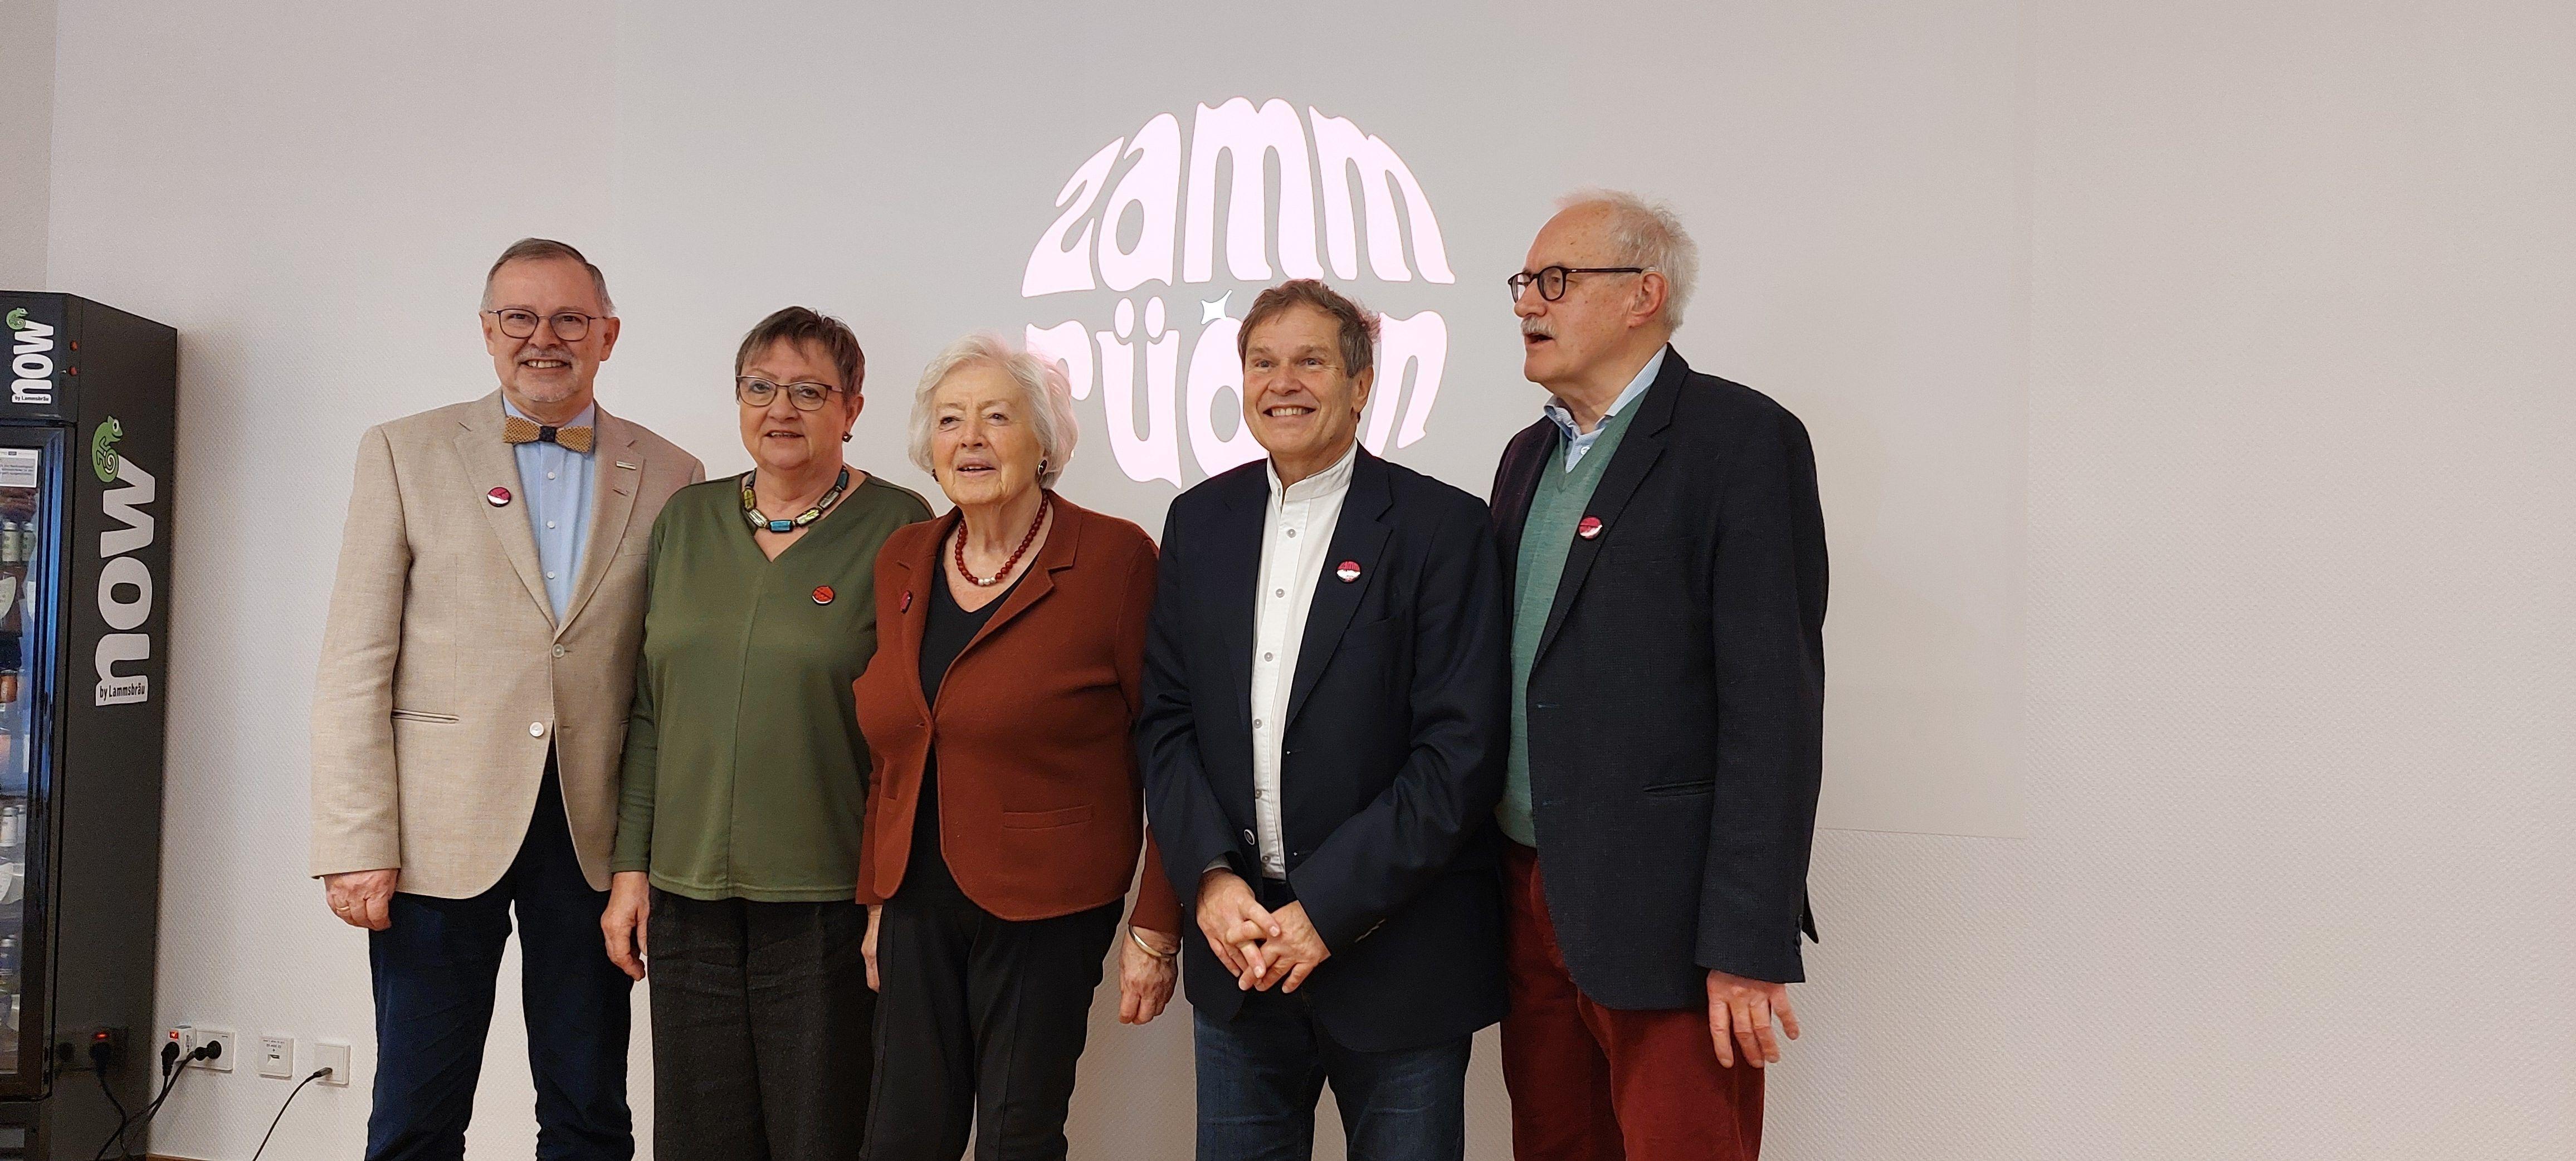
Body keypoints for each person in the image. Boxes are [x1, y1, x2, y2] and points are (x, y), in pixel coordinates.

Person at [310, 237, 702, 1160]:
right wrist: (355, 840)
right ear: (487, 331)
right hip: (435, 836)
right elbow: (354, 661)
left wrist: (649, 853)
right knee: (416, 1108)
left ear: (608, 335)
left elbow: (662, 678)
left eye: (570, 319)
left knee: (589, 1105)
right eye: (520, 317)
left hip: (594, 835)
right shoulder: (404, 452)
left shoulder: (676, 475)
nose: (544, 338)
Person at [1488, 191, 1828, 1161]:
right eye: (1524, 283)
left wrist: (1746, 941)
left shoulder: (1741, 443)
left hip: (1672, 924)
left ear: (1645, 295)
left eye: (1555, 281)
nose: (1527, 305)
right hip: (1528, 895)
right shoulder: (1527, 458)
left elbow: (1775, 711)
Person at [1138, 280, 1512, 1160]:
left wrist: (1325, 908)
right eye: (1263, 362)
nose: (1284, 382)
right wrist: (1210, 883)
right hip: (1240, 959)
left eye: (1311, 360)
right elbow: (1166, 721)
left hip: (1397, 959)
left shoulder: (1441, 527)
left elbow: (1460, 751)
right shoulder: (1200, 522)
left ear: (1362, 382)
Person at [601, 306, 931, 1158]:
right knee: (699, 1137)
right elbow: (649, 707)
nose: (780, 409)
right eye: (760, 387)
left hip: (824, 896)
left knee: (818, 1135)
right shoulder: (686, 520)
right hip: (686, 897)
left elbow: (914, 735)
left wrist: (889, 893)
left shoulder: (903, 526)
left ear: (852, 408)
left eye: (809, 391)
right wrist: (632, 869)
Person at [852, 333, 1183, 1161]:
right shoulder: (904, 557)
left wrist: (1158, 924)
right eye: (950, 419)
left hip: (1049, 903)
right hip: (916, 901)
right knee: (899, 1138)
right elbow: (894, 750)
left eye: (997, 418)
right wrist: (877, 902)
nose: (970, 439)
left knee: (1015, 1135)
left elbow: (1174, 752)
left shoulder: (1114, 560)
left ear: (1045, 442)